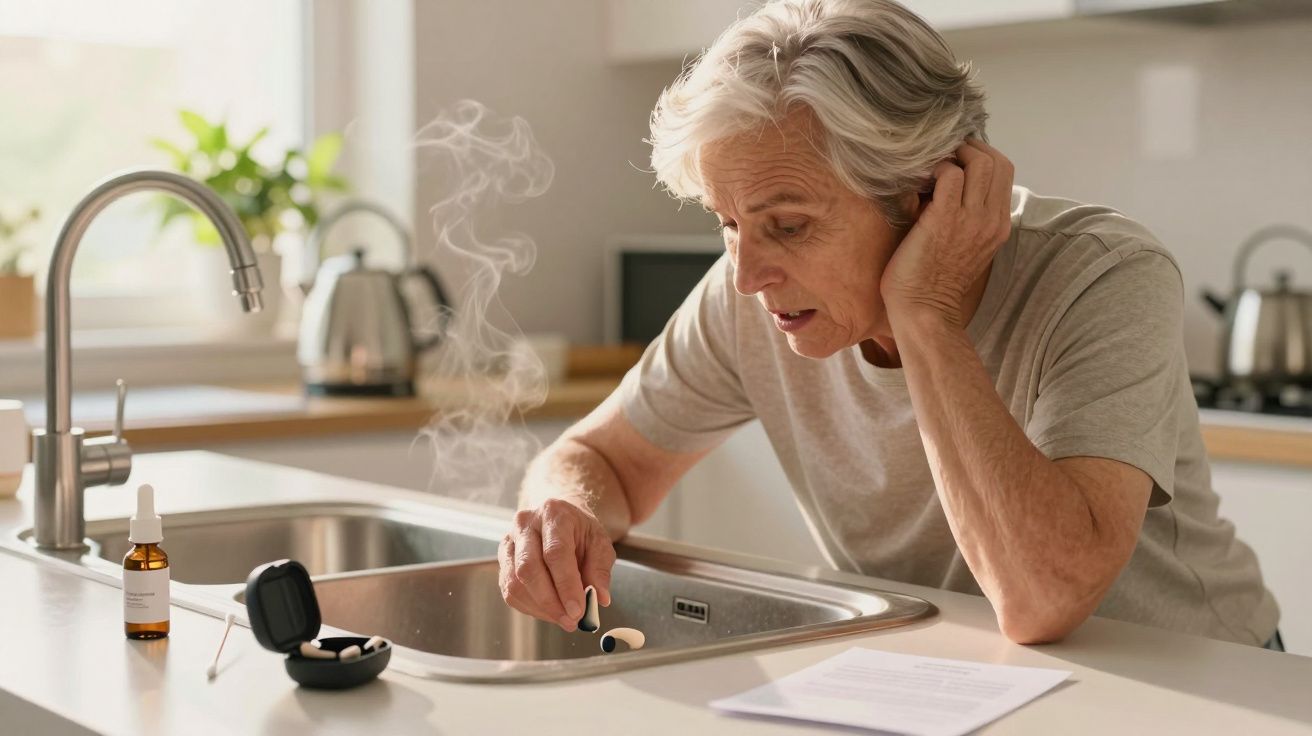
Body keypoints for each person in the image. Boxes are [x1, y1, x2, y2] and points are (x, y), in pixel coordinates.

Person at [498, 0, 1281, 647]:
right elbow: (601, 457)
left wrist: (926, 314)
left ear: (923, 194)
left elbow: (1042, 598)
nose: (746, 273)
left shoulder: (1104, 276)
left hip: (1202, 686)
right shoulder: (748, 295)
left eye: (790, 225)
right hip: (951, 680)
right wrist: (566, 517)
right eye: (728, 223)